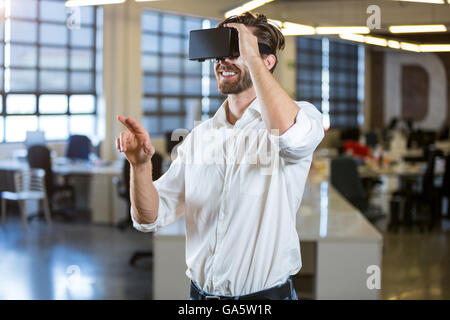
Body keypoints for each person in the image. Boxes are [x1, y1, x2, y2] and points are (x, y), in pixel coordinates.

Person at [116, 12, 324, 300]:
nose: (222, 62)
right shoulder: (200, 137)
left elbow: (291, 140)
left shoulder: (302, 116)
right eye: (218, 54)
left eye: (235, 51)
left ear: (267, 61)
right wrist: (140, 167)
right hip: (199, 297)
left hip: (265, 299)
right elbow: (149, 217)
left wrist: (250, 53)